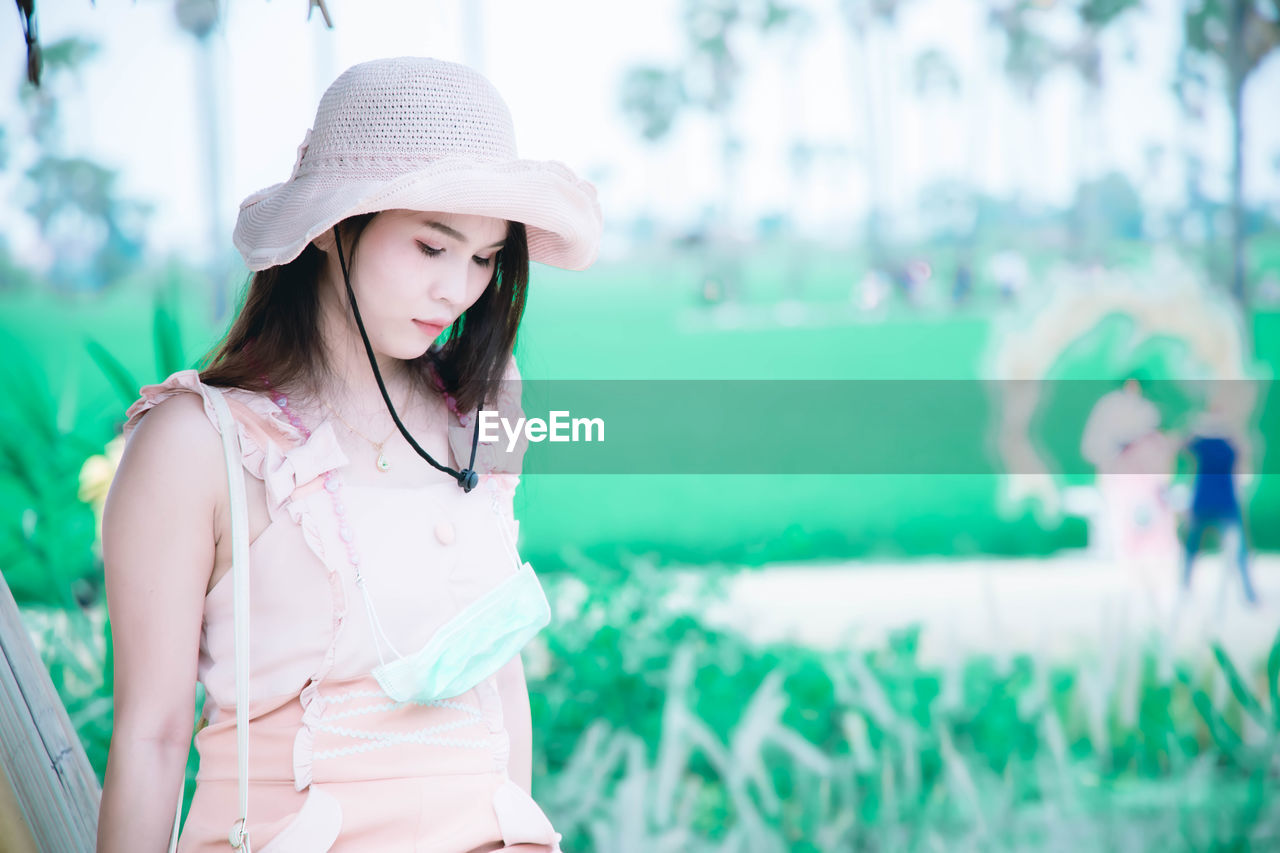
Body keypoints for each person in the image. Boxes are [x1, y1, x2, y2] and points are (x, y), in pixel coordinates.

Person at [96, 57, 602, 852]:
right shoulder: (198, 444)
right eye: (432, 247)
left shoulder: (485, 407)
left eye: (483, 258)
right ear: (334, 227)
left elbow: (498, 678)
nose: (458, 290)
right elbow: (152, 737)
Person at [1180, 399, 1259, 605]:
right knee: (1196, 549)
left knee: (1200, 549)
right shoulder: (1222, 443)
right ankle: (1248, 595)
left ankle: (1248, 594)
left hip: (1213, 502)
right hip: (1217, 502)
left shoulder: (1211, 442)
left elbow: (1182, 443)